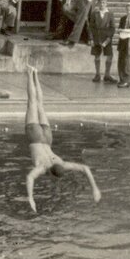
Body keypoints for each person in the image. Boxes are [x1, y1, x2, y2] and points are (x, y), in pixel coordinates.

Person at [23, 65, 101, 214]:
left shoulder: (62, 163)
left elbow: (86, 168)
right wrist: (30, 198)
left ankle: (35, 73)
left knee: (40, 105)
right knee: (32, 102)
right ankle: (29, 73)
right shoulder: (43, 167)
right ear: (51, 173)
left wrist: (95, 189)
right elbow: (30, 178)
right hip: (35, 137)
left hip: (47, 137)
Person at [87, 0, 116, 83]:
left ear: (106, 3)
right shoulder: (94, 13)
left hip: (106, 38)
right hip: (96, 37)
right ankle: (97, 74)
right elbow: (90, 27)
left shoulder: (110, 14)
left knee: (109, 56)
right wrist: (91, 38)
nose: (102, 4)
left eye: (103, 3)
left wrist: (108, 39)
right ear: (98, 3)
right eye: (100, 3)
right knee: (97, 56)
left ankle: (107, 74)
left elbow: (113, 28)